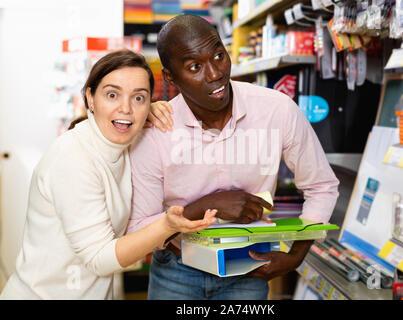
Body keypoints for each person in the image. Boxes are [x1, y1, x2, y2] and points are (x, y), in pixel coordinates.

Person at [127, 14, 339, 300]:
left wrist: (296, 255)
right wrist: (208, 206)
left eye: (218, 55)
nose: (214, 73)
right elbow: (139, 227)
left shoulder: (275, 109)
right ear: (170, 77)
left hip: (248, 267)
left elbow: (321, 186)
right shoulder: (155, 130)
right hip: (177, 271)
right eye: (194, 66)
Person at [0, 49, 216, 300]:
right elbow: (98, 259)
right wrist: (165, 226)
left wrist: (150, 111)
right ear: (90, 98)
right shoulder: (72, 158)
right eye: (112, 95)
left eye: (138, 98)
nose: (125, 108)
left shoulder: (122, 143)